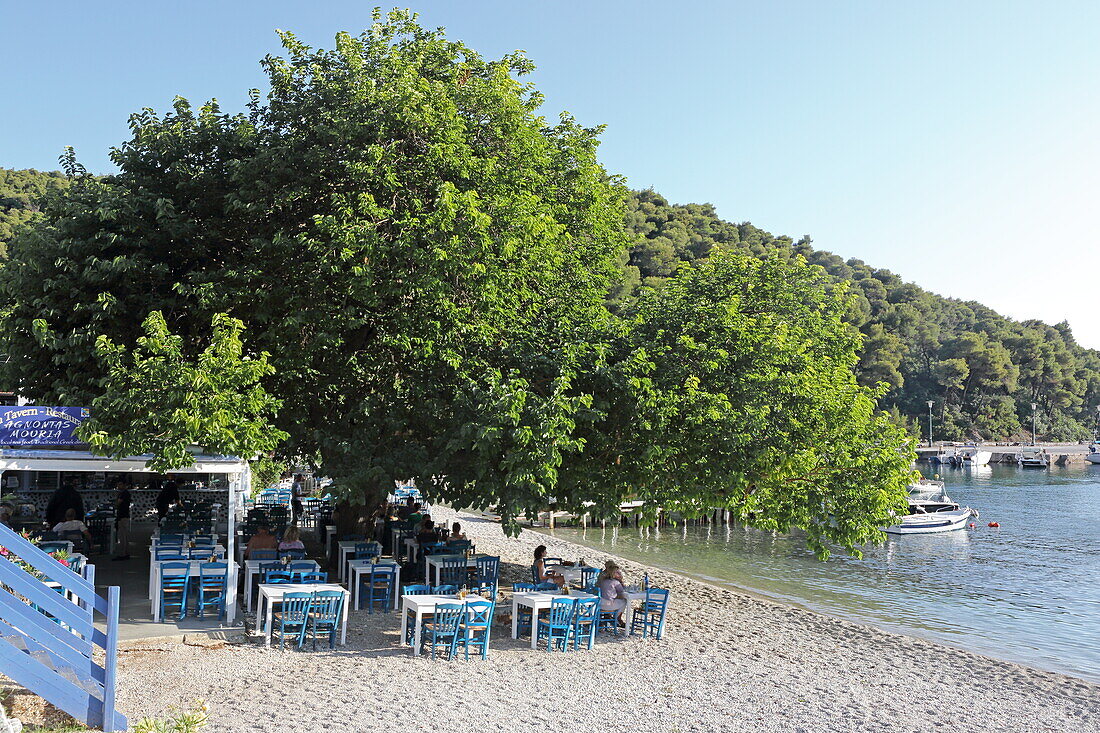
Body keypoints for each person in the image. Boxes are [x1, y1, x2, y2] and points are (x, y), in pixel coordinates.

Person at [596, 560, 629, 625]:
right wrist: (620, 581)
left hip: (600, 604)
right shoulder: (615, 582)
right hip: (608, 605)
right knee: (624, 601)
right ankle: (617, 618)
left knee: (614, 598)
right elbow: (622, 592)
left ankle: (612, 617)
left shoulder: (603, 580)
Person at [111, 480, 132, 560]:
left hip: (123, 516)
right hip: (123, 515)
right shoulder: (125, 493)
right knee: (124, 536)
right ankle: (125, 553)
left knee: (122, 536)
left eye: (120, 484)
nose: (118, 486)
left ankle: (123, 554)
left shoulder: (124, 494)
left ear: (124, 485)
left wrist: (115, 503)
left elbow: (118, 503)